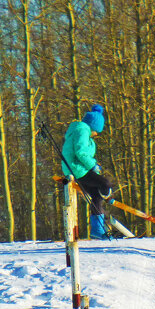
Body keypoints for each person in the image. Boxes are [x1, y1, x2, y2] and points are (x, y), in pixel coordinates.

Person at [61, 103, 112, 240]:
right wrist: (93, 166)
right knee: (105, 183)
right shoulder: (82, 130)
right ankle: (108, 196)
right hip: (77, 169)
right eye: (97, 131)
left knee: (95, 195)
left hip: (75, 168)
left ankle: (97, 230)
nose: (96, 134)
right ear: (93, 126)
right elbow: (81, 152)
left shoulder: (80, 129)